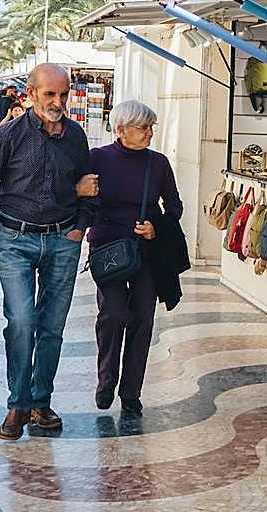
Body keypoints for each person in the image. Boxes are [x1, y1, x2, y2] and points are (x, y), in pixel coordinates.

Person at [0, 63, 97, 442]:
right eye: (50, 94)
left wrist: (79, 227)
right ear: (31, 94)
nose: (57, 102)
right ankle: (17, 403)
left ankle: (40, 401)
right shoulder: (9, 134)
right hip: (14, 240)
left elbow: (88, 185)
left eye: (63, 95)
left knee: (52, 326)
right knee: (21, 320)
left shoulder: (76, 136)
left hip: (62, 239)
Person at [81, 100, 183, 417]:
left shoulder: (158, 163)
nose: (149, 133)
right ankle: (106, 379)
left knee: (142, 319)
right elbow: (82, 199)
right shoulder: (97, 158)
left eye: (152, 127)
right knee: (112, 314)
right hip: (107, 250)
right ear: (121, 129)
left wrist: (156, 227)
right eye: (143, 127)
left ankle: (131, 393)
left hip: (145, 251)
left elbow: (175, 207)